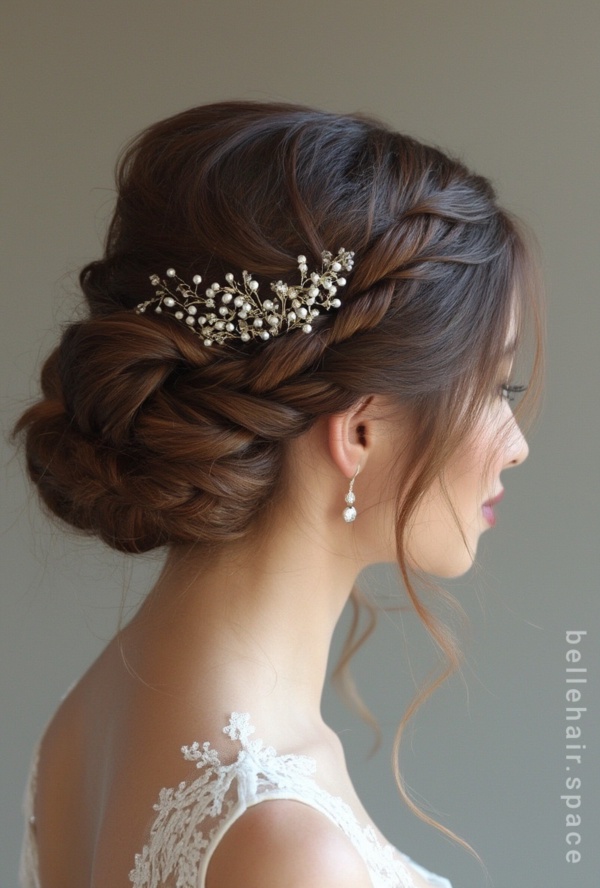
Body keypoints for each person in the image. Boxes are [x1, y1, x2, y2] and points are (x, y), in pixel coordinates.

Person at [14, 101, 543, 888]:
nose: (518, 445)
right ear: (359, 431)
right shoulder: (289, 849)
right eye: (496, 388)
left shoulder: (85, 722)